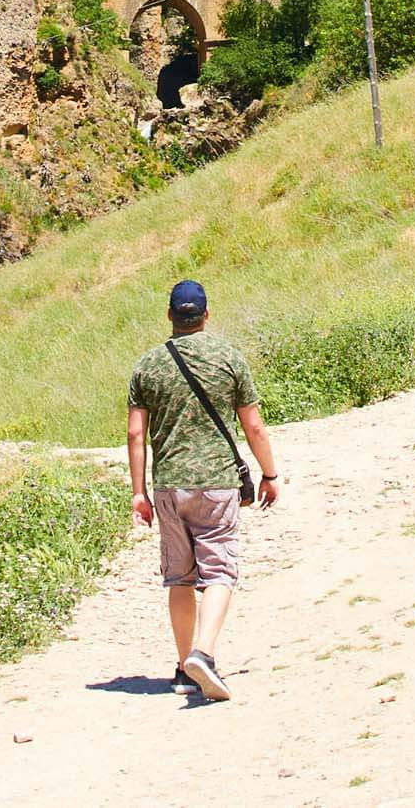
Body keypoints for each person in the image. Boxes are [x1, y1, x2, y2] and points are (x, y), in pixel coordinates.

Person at [127, 278, 281, 701]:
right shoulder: (229, 359)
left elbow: (136, 435)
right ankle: (205, 654)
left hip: (169, 486)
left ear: (171, 317)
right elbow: (253, 425)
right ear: (206, 315)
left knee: (179, 576)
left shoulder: (147, 366)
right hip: (217, 484)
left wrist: (139, 491)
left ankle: (182, 668)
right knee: (219, 570)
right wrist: (269, 474)